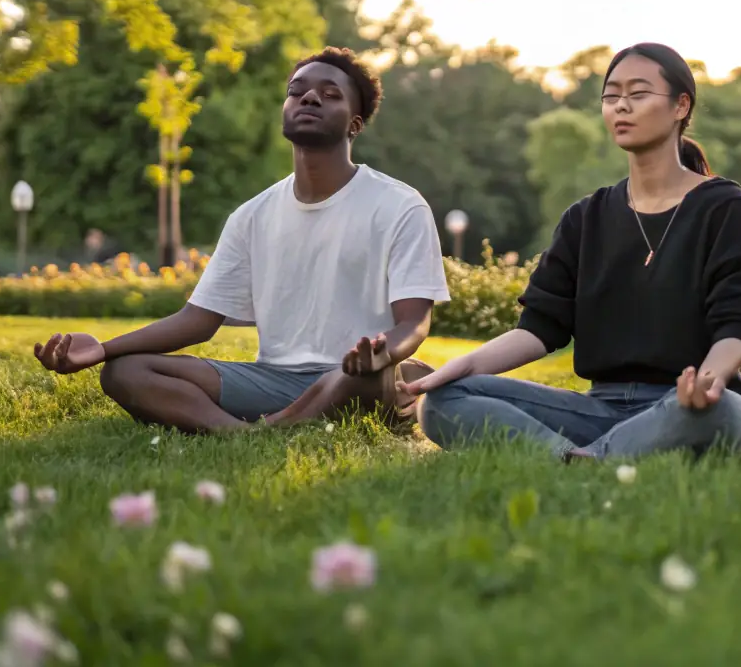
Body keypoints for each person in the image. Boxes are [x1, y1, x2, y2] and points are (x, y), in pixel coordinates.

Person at [32, 47, 451, 432]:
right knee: (125, 372)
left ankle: (290, 422)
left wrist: (381, 353)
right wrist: (103, 350)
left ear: (354, 124)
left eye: (330, 94)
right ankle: (244, 434)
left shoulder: (399, 205)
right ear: (285, 109)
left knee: (354, 377)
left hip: (358, 377)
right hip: (272, 380)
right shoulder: (252, 215)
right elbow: (197, 320)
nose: (308, 98)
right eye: (297, 91)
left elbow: (414, 322)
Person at [405, 42, 741, 461]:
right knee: (443, 401)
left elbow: (740, 317)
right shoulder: (586, 217)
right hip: (598, 409)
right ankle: (575, 458)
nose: (621, 106)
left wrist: (708, 382)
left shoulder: (725, 207)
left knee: (727, 410)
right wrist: (462, 367)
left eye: (638, 94)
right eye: (611, 96)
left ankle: (590, 459)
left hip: (688, 408)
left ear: (680, 106)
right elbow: (539, 328)